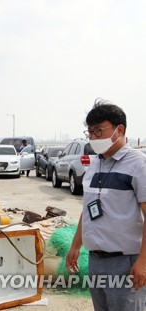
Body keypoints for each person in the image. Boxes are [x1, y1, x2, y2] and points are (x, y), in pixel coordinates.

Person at [65, 99, 146, 310]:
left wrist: (143, 263)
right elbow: (89, 210)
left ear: (119, 130)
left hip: (125, 262)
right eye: (90, 132)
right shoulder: (95, 164)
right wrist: (75, 245)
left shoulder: (138, 164)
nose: (93, 137)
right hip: (96, 261)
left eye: (99, 131)